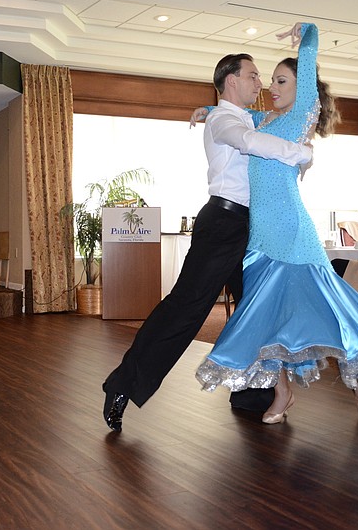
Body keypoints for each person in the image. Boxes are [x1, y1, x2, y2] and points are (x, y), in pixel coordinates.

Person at [101, 51, 314, 432]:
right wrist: (300, 153)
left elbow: (260, 126)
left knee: (257, 310)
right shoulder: (224, 121)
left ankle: (256, 393)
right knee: (186, 309)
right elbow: (246, 140)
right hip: (223, 223)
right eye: (252, 75)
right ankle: (122, 385)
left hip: (254, 227)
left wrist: (205, 106)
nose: (260, 83)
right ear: (231, 80)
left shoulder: (243, 115)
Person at [194, 23, 358, 424]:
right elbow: (238, 116)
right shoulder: (263, 120)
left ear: (301, 86)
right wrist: (211, 110)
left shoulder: (303, 111)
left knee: (325, 304)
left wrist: (307, 34)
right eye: (270, 80)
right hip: (259, 235)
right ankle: (282, 392)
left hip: (290, 227)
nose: (272, 86)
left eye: (281, 80)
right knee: (267, 314)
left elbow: (309, 60)